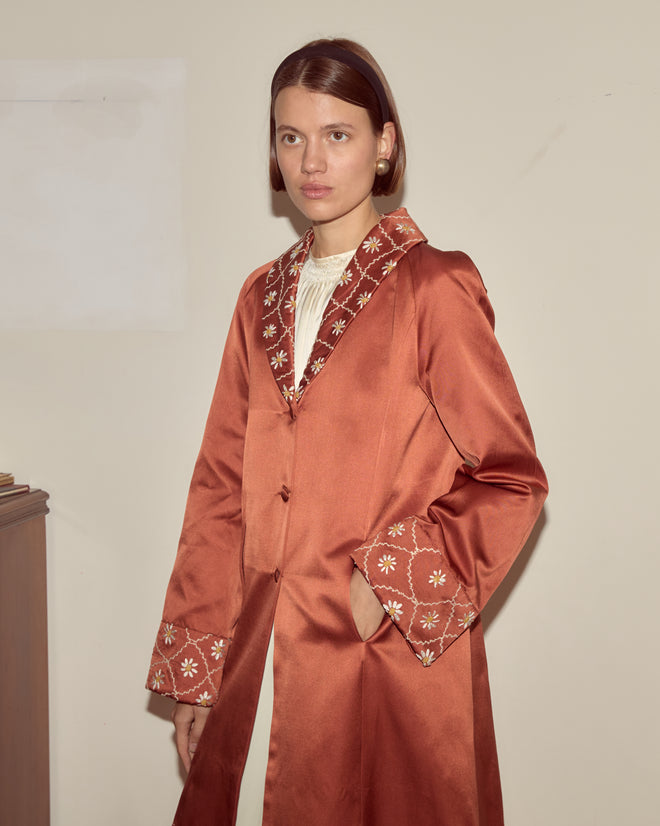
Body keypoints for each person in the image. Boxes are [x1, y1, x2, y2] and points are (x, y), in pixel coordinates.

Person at [146, 37, 548, 826]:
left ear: (383, 143)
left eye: (337, 134)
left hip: (384, 658)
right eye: (291, 136)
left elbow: (511, 476)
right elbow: (220, 489)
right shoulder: (259, 297)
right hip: (260, 659)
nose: (311, 161)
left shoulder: (434, 285)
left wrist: (392, 583)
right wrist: (197, 671)